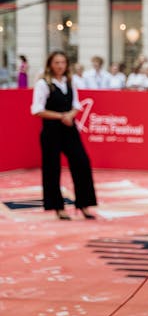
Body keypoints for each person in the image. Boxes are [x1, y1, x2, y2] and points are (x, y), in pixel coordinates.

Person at [30, 51, 98, 221]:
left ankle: (84, 204)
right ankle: (58, 207)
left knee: (82, 162)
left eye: (63, 62)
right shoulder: (43, 84)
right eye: (56, 62)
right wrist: (62, 116)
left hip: (70, 129)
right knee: (52, 168)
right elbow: (37, 110)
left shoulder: (70, 81)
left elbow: (76, 104)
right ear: (50, 64)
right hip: (51, 130)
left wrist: (70, 115)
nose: (60, 66)